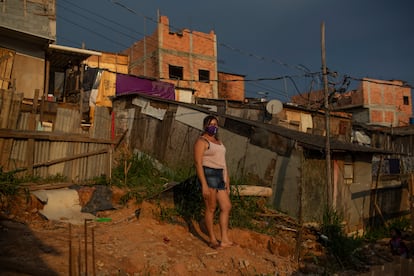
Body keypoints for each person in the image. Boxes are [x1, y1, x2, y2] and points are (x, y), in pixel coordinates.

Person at [194, 115, 235, 249]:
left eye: (216, 124)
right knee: (211, 208)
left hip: (220, 176)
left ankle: (224, 239)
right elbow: (198, 163)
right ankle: (212, 239)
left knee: (226, 206)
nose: (214, 126)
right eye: (211, 124)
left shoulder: (219, 141)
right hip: (209, 174)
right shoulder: (202, 141)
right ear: (205, 126)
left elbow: (223, 163)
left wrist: (227, 180)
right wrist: (204, 184)